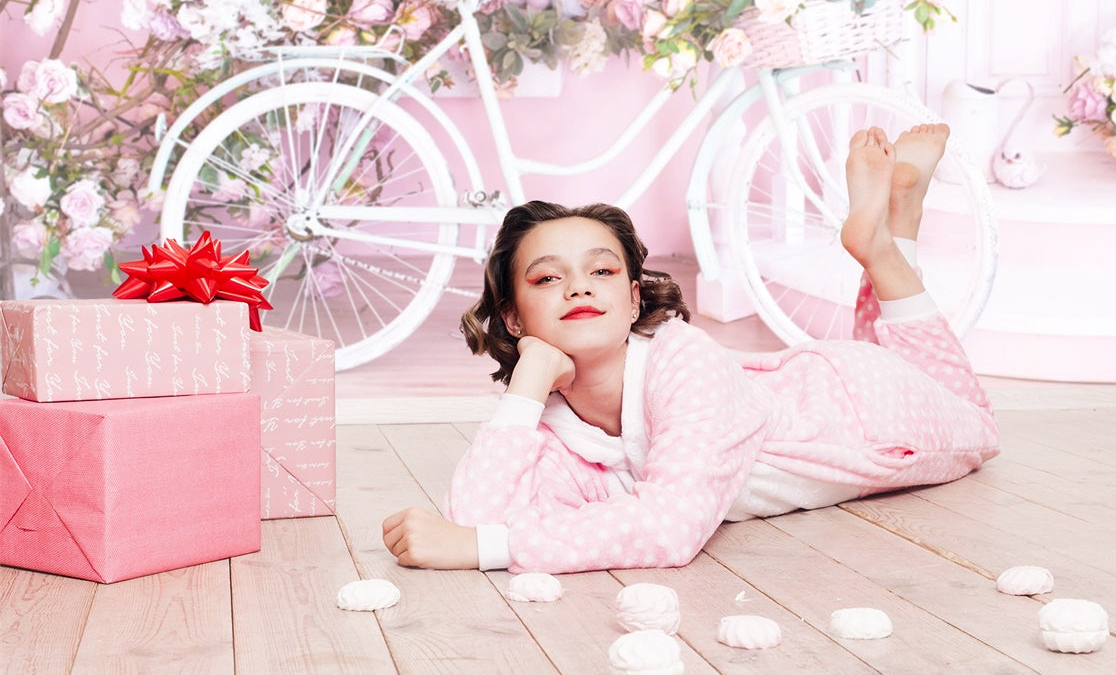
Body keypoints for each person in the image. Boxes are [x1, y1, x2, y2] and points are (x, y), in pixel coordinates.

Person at [382, 124, 999, 574]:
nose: (577, 286)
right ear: (513, 317)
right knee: (907, 355)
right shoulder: (548, 423)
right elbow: (471, 518)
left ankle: (884, 245)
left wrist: (486, 551)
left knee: (975, 421)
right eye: (547, 278)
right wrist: (525, 388)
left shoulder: (684, 358)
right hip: (818, 380)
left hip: (862, 412)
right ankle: (898, 220)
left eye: (600, 272)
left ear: (632, 298)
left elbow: (669, 528)